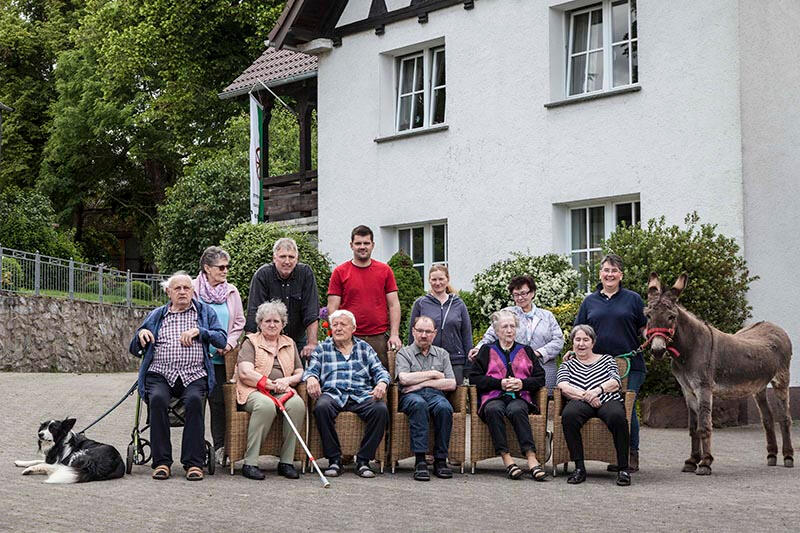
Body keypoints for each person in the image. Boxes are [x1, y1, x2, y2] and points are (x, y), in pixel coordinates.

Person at [129, 272, 227, 481]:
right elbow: (134, 348)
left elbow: (221, 339)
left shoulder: (205, 312)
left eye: (186, 288)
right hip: (160, 374)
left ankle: (194, 463)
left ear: (193, 291)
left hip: (194, 374)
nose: (182, 292)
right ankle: (162, 462)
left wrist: (200, 331)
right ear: (168, 292)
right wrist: (140, 335)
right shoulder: (157, 315)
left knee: (194, 401)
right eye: (177, 288)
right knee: (157, 400)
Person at [574, 253, 647, 472]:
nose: (610, 274)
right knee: (607, 407)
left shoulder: (633, 299)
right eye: (606, 270)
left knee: (627, 407)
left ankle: (631, 455)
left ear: (621, 275)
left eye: (614, 271)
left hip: (630, 365)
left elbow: (644, 328)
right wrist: (573, 351)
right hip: (598, 367)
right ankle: (613, 454)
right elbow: (579, 330)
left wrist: (652, 338)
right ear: (600, 274)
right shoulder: (589, 301)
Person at [303, 309, 390, 478]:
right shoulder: (323, 348)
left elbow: (381, 371)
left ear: (353, 328)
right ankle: (334, 460)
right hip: (333, 394)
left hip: (361, 394)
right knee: (321, 407)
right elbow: (311, 370)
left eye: (343, 324)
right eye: (335, 325)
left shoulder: (364, 348)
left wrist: (382, 383)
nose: (338, 328)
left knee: (380, 410)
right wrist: (312, 378)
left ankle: (363, 461)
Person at [469, 309, 547, 481]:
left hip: (519, 397)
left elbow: (540, 378)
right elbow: (474, 377)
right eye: (505, 327)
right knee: (493, 410)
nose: (509, 330)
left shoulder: (526, 350)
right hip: (493, 397)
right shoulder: (486, 350)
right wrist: (499, 383)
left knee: (517, 410)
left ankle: (531, 457)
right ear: (497, 331)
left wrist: (522, 384)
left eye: (512, 326)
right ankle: (506, 458)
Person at [234, 300, 305, 480]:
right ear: (260, 323)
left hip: (282, 389)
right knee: (265, 405)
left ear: (283, 324)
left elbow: (299, 371)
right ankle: (250, 463)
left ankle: (286, 462)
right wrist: (271, 384)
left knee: (297, 405)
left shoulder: (289, 343)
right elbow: (245, 373)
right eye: (267, 321)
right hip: (253, 391)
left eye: (276, 321)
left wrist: (287, 381)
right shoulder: (251, 342)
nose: (272, 325)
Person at [557, 325, 631, 486]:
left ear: (593, 342)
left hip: (607, 398)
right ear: (572, 343)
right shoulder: (567, 365)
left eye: (586, 340)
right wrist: (587, 396)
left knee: (617, 417)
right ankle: (579, 468)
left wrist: (597, 391)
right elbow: (563, 386)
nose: (581, 344)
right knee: (569, 416)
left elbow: (615, 382)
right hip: (580, 400)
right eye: (577, 340)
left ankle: (623, 468)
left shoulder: (607, 359)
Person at [192, 246, 245, 465]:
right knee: (196, 402)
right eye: (221, 267)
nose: (225, 271)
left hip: (223, 357)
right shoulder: (192, 289)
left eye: (227, 267)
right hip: (197, 356)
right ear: (207, 268)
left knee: (219, 403)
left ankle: (220, 449)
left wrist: (229, 343)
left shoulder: (231, 291)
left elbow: (239, 321)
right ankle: (196, 450)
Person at [469, 275, 564, 392]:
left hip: (544, 367)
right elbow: (491, 334)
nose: (520, 298)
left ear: (532, 293)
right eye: (516, 294)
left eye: (523, 293)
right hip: (515, 369)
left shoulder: (547, 316)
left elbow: (558, 340)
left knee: (545, 399)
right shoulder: (507, 313)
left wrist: (537, 353)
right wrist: (478, 348)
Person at [327, 225, 401, 370]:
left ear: (373, 245)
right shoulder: (340, 272)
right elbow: (332, 307)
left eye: (366, 243)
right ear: (351, 245)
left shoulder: (385, 271)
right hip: (349, 338)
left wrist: (394, 334)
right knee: (348, 377)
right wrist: (336, 333)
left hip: (379, 339)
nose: (362, 247)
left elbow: (394, 304)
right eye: (358, 243)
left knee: (381, 378)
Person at [396, 315, 457, 481]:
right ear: (413, 332)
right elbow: (404, 379)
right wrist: (434, 374)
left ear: (434, 333)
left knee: (445, 408)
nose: (424, 335)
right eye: (420, 331)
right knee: (419, 404)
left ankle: (440, 460)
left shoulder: (442, 354)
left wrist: (421, 383)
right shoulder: (404, 353)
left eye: (428, 332)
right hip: (411, 396)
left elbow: (451, 383)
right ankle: (420, 460)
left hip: (435, 395)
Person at [245, 237, 320, 359]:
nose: (287, 261)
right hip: (268, 341)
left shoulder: (305, 274)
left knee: (299, 370)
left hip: (297, 340)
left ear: (297, 259)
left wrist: (312, 343)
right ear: (274, 258)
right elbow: (254, 312)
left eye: (291, 257)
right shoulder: (262, 275)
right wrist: (250, 345)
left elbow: (311, 311)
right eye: (282, 256)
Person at [408, 264, 473, 384]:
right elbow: (412, 335)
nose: (437, 283)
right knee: (429, 392)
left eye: (441, 279)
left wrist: (468, 365)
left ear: (447, 279)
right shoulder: (420, 303)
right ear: (429, 280)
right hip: (426, 359)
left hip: (455, 360)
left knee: (455, 394)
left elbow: (466, 334)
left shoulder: (459, 304)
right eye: (434, 279)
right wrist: (411, 359)